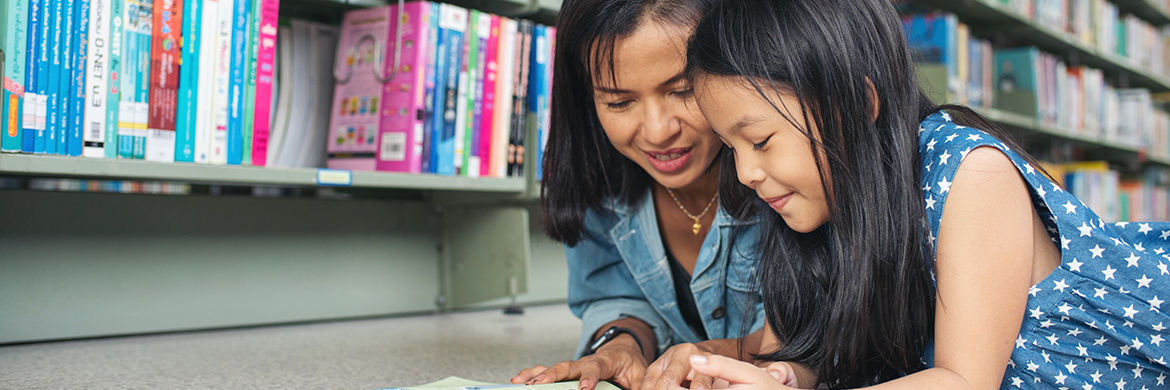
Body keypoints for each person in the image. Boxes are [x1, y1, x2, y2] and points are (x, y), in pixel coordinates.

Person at [640, 0, 1170, 389]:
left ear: (855, 105)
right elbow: (796, 355)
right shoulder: (813, 201)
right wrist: (749, 370)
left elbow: (963, 381)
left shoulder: (970, 173)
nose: (747, 172)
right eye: (731, 148)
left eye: (759, 140)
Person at [510, 1, 768, 390]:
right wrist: (622, 345)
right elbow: (615, 297)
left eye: (683, 90)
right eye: (618, 102)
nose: (658, 131)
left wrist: (720, 354)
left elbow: (831, 331)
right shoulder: (599, 181)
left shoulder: (787, 182)